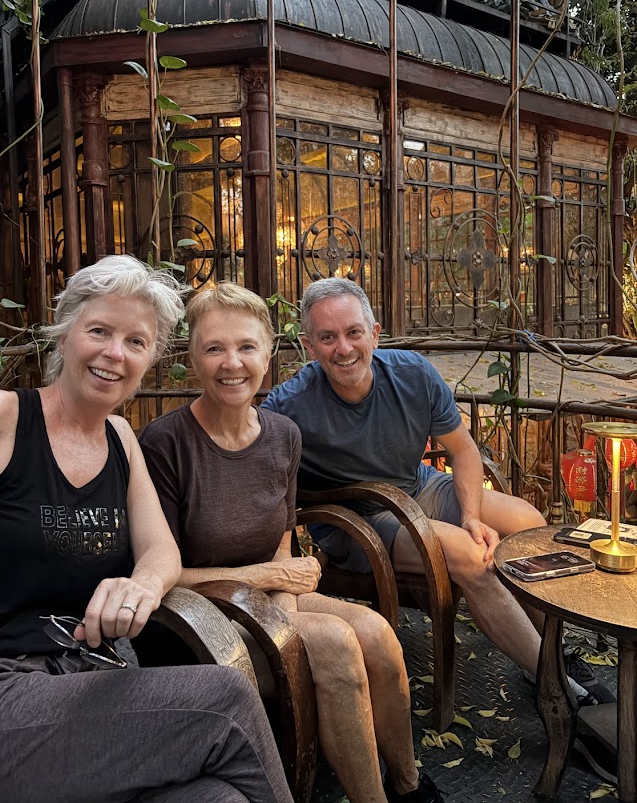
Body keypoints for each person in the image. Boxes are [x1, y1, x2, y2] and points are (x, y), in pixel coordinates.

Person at [0, 255, 294, 803]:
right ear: (65, 332)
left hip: (78, 686)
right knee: (224, 701)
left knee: (219, 799)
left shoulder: (121, 441)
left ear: (150, 359)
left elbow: (161, 551)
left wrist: (141, 585)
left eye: (136, 341)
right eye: (99, 331)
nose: (115, 353)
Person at [139, 282, 444, 803]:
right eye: (214, 348)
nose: (232, 363)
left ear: (269, 354)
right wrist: (268, 583)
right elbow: (160, 574)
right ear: (192, 358)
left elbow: (281, 544)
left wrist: (278, 601)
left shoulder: (283, 435)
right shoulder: (165, 443)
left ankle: (407, 785)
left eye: (246, 346)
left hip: (265, 599)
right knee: (335, 643)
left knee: (377, 636)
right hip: (194, 619)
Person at [262, 277, 614, 707]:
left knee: (528, 523)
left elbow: (463, 451)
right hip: (360, 518)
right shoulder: (288, 405)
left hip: (418, 487)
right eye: (327, 337)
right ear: (309, 346)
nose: (344, 348)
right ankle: (557, 687)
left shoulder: (412, 373)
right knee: (472, 557)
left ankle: (553, 654)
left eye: (354, 332)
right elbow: (254, 460)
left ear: (374, 333)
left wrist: (470, 515)